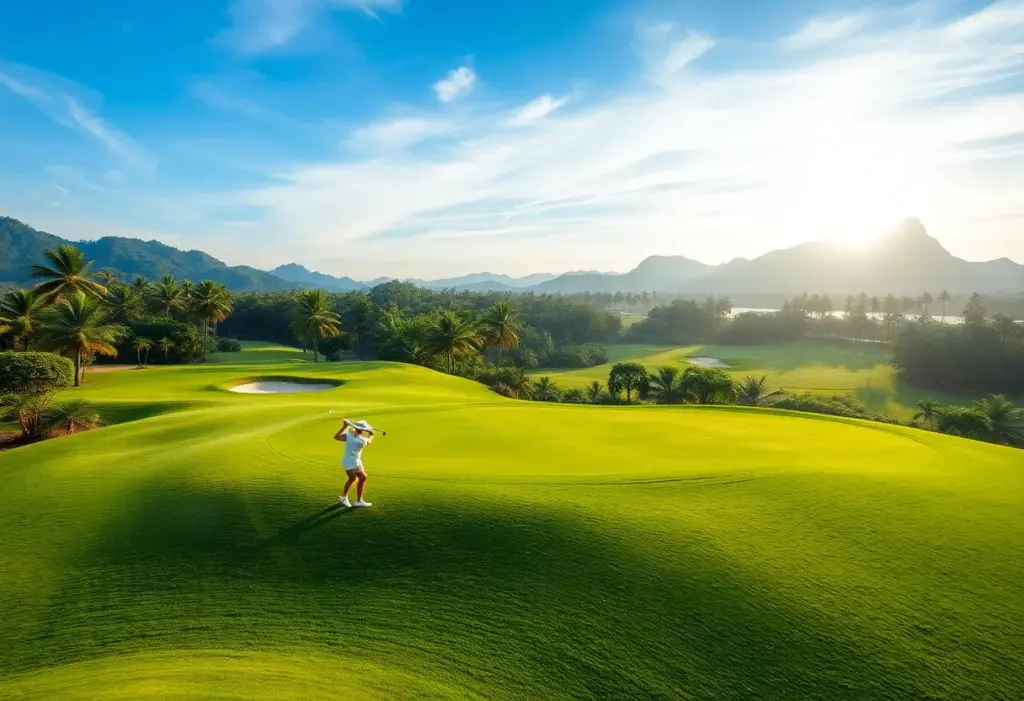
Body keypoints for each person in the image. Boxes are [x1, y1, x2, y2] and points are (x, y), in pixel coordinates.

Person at [335, 418, 374, 508]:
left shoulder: (349, 435)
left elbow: (337, 437)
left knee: (362, 477)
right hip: (351, 461)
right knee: (353, 478)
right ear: (363, 430)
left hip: (351, 460)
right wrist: (372, 434)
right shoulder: (362, 441)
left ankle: (357, 500)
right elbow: (369, 441)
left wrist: (344, 426)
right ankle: (345, 498)